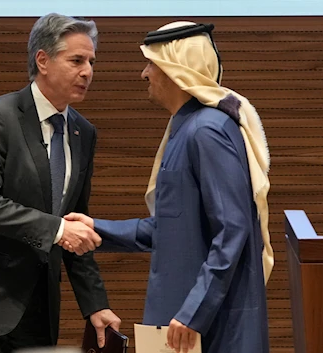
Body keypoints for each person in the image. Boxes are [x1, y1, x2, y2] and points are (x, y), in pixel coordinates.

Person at [64, 21, 274, 353]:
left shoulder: (208, 131)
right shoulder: (188, 128)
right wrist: (96, 229)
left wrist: (194, 313)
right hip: (185, 321)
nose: (144, 74)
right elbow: (171, 229)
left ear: (175, 70)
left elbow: (232, 230)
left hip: (210, 329)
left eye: (152, 64)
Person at [0, 13, 120, 353]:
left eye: (91, 61)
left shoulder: (84, 132)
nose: (88, 71)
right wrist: (59, 231)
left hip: (38, 306)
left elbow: (76, 222)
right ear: (43, 60)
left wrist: (95, 303)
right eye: (76, 60)